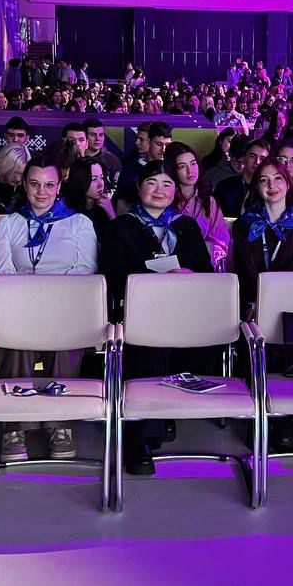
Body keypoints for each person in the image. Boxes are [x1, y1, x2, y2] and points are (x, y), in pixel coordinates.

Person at [99, 160, 216, 471]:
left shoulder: (186, 226)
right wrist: (151, 279)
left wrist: (188, 274)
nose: (159, 190)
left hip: (185, 310)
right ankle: (142, 439)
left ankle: (165, 413)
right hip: (138, 312)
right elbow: (112, 277)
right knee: (150, 345)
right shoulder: (120, 227)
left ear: (176, 190)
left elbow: (206, 274)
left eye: (167, 184)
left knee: (204, 339)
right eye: (152, 183)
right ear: (139, 188)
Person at [0, 156, 98, 461]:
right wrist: (29, 298)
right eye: (35, 184)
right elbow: (2, 272)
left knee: (67, 338)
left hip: (64, 308)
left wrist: (48, 294)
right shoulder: (10, 224)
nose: (42, 192)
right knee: (12, 337)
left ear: (59, 186)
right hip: (20, 307)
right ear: (24, 185)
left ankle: (59, 424)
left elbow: (86, 270)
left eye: (49, 185)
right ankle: (15, 426)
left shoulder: (79, 223)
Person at [231, 159, 293, 451]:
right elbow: (245, 269)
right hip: (250, 302)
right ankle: (256, 412)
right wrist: (257, 302)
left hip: (287, 304)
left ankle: (282, 415)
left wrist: (268, 304)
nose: (272, 185)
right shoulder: (245, 225)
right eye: (264, 180)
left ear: (288, 184)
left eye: (278, 179)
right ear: (256, 186)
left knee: (282, 331)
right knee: (251, 331)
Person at [167, 142, 231, 267]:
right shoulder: (166, 199)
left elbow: (221, 242)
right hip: (170, 267)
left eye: (193, 163)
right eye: (182, 166)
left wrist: (199, 253)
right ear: (173, 170)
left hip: (203, 266)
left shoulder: (209, 202)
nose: (190, 170)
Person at [214, 139, 271, 217]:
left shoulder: (270, 188)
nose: (257, 162)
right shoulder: (224, 186)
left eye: (262, 158)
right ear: (244, 158)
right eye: (252, 156)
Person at [62, 156, 115, 234]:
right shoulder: (66, 210)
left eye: (101, 178)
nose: (100, 185)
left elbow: (119, 236)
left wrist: (111, 214)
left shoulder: (103, 207)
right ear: (80, 181)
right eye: (94, 179)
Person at [0, 143, 31, 215]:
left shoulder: (26, 189)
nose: (18, 179)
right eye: (14, 172)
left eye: (22, 174)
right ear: (5, 167)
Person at [84, 118, 122, 193]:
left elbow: (116, 186)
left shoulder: (112, 160)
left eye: (101, 135)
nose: (98, 139)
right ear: (85, 136)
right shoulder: (76, 157)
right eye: (93, 135)